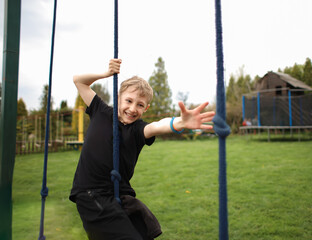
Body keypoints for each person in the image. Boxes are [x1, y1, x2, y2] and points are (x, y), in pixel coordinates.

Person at [69, 58, 215, 240]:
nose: (132, 108)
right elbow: (79, 81)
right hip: (91, 194)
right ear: (118, 98)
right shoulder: (101, 111)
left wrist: (179, 122)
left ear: (146, 108)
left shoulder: (137, 130)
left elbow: (156, 126)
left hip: (119, 196)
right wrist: (105, 74)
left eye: (139, 105)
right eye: (128, 101)